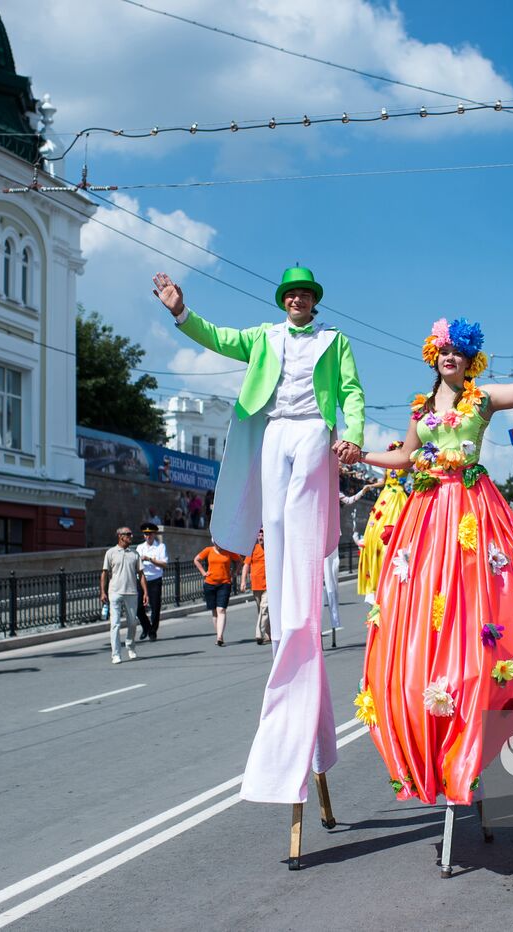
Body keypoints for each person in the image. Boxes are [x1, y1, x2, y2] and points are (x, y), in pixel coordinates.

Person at [357, 317, 513, 807]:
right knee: (422, 614)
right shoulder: (420, 408)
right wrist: (362, 456)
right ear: (434, 356)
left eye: (458, 351)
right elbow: (407, 458)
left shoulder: (484, 398)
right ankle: (431, 711)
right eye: (442, 350)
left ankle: (472, 707)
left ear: (470, 359)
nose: (449, 356)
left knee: (474, 612)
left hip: (473, 512)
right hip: (428, 515)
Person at [156, 265, 365, 863]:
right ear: (283, 300)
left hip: (314, 433)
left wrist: (349, 431)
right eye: (291, 294)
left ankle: (296, 595)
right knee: (273, 524)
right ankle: (286, 594)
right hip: (274, 431)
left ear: (315, 302)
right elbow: (218, 337)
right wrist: (179, 312)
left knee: (301, 520)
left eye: (306, 294)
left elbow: (351, 390)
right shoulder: (264, 338)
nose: (298, 300)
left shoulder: (334, 341)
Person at [357, 446, 406, 600]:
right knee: (376, 533)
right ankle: (376, 577)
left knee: (399, 531)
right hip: (386, 497)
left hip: (399, 497)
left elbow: (414, 470)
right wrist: (370, 485)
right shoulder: (387, 467)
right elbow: (384, 482)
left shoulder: (405, 463)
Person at [101, 527, 149, 664]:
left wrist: (145, 592)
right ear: (120, 536)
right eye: (128, 534)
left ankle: (130, 646)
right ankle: (115, 654)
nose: (131, 536)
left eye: (130, 534)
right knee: (115, 624)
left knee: (132, 623)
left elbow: (141, 574)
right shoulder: (110, 553)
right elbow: (104, 573)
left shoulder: (135, 554)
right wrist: (103, 592)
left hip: (131, 592)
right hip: (115, 592)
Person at [196, 540, 240, 647]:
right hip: (210, 584)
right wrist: (203, 573)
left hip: (224, 584)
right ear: (213, 542)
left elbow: (239, 561)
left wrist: (235, 572)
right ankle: (219, 636)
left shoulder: (229, 551)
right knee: (214, 611)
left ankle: (220, 637)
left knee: (221, 609)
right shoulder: (208, 550)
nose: (218, 544)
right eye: (216, 542)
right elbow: (196, 560)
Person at [136, 522, 168, 641]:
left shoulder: (160, 547)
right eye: (145, 534)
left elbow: (164, 564)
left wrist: (150, 559)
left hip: (155, 580)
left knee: (155, 607)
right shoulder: (140, 547)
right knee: (138, 607)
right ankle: (146, 627)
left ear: (154, 534)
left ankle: (153, 631)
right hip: (142, 579)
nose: (147, 536)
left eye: (149, 534)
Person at [240, 529, 271, 644]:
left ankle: (259, 634)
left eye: (262, 534)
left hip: (268, 586)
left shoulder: (271, 548)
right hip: (256, 586)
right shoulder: (253, 549)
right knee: (262, 611)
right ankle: (269, 634)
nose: (260, 536)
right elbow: (246, 565)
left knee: (264, 609)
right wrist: (243, 581)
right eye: (259, 534)